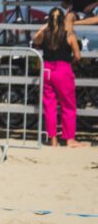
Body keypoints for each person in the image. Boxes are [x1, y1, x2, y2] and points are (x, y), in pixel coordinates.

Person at [34, 8, 85, 147]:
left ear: (49, 20)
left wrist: (46, 26)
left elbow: (35, 38)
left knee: (49, 106)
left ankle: (53, 139)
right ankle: (69, 139)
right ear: (62, 19)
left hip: (47, 70)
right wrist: (72, 62)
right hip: (63, 70)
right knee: (68, 105)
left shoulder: (45, 34)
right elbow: (77, 56)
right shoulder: (69, 35)